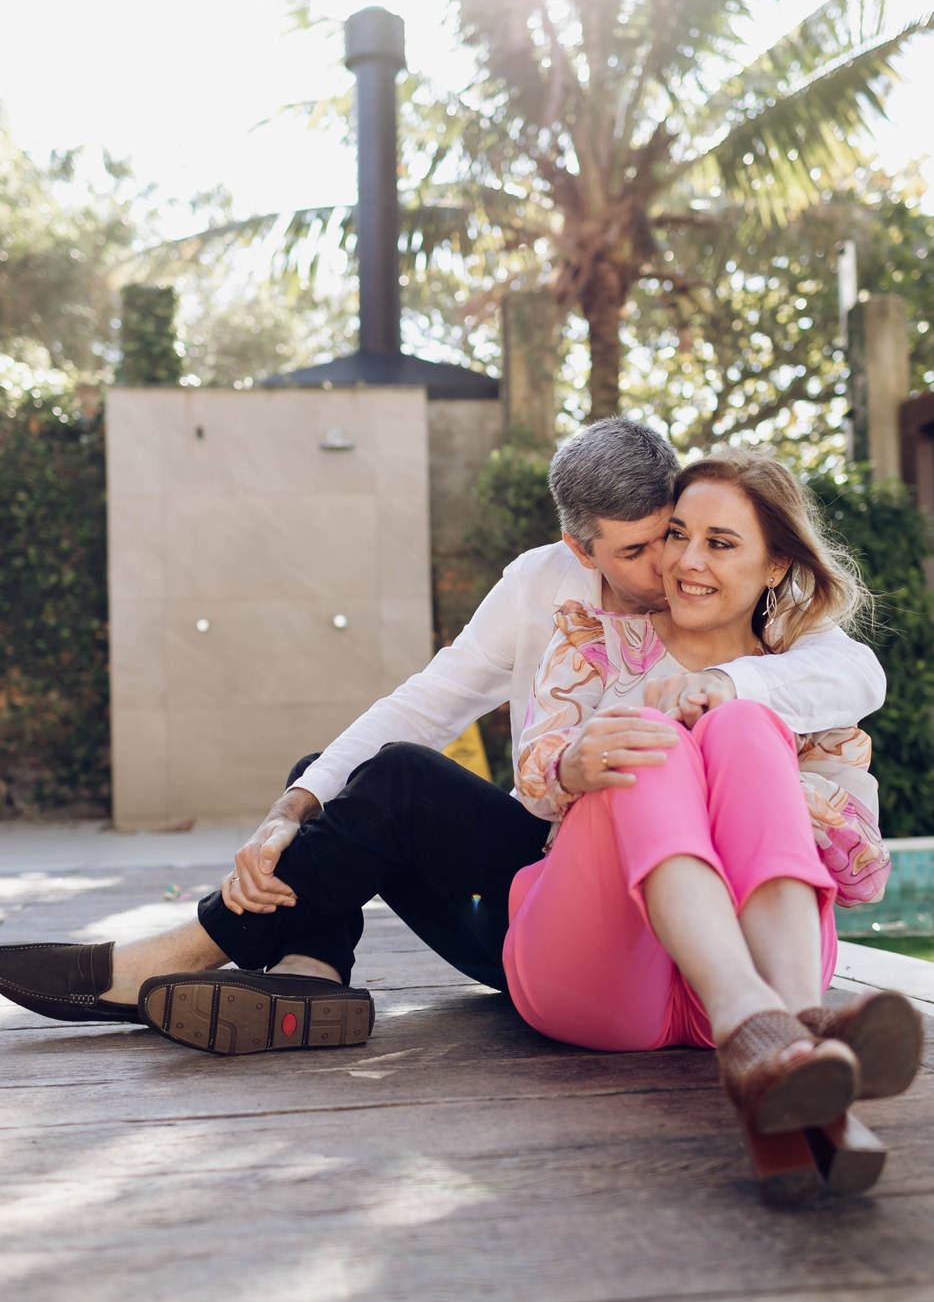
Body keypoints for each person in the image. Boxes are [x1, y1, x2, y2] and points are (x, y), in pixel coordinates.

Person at [0, 423, 887, 1056]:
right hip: (546, 887)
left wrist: (723, 686)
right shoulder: (550, 595)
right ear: (579, 548)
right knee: (335, 777)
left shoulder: (765, 622)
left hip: (623, 912)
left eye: (683, 536)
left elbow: (851, 675)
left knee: (388, 783)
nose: (674, 566)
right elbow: (429, 703)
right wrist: (289, 808)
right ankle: (311, 971)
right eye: (645, 550)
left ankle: (202, 951)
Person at [504, 449, 921, 1133]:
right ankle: (754, 1020)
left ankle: (787, 1021)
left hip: (771, 970)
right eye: (679, 534)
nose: (687, 561)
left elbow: (863, 876)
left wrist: (759, 779)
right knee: (650, 733)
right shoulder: (594, 644)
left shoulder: (802, 683)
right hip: (599, 973)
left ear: (775, 565)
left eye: (720, 543)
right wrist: (575, 765)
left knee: (744, 726)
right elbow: (533, 785)